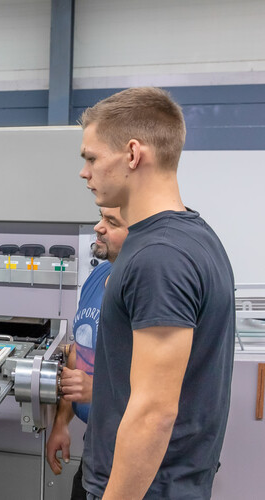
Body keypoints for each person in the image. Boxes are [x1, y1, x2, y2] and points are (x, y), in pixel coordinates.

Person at [78, 87, 235, 499]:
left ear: (132, 154)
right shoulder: (190, 234)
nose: (85, 172)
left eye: (91, 158)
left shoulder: (159, 256)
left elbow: (154, 413)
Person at [46, 207, 128, 499]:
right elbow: (78, 355)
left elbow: (165, 389)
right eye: (101, 217)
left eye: (111, 222)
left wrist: (98, 390)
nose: (98, 227)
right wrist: (60, 423)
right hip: (95, 446)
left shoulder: (144, 287)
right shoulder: (99, 275)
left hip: (130, 454)